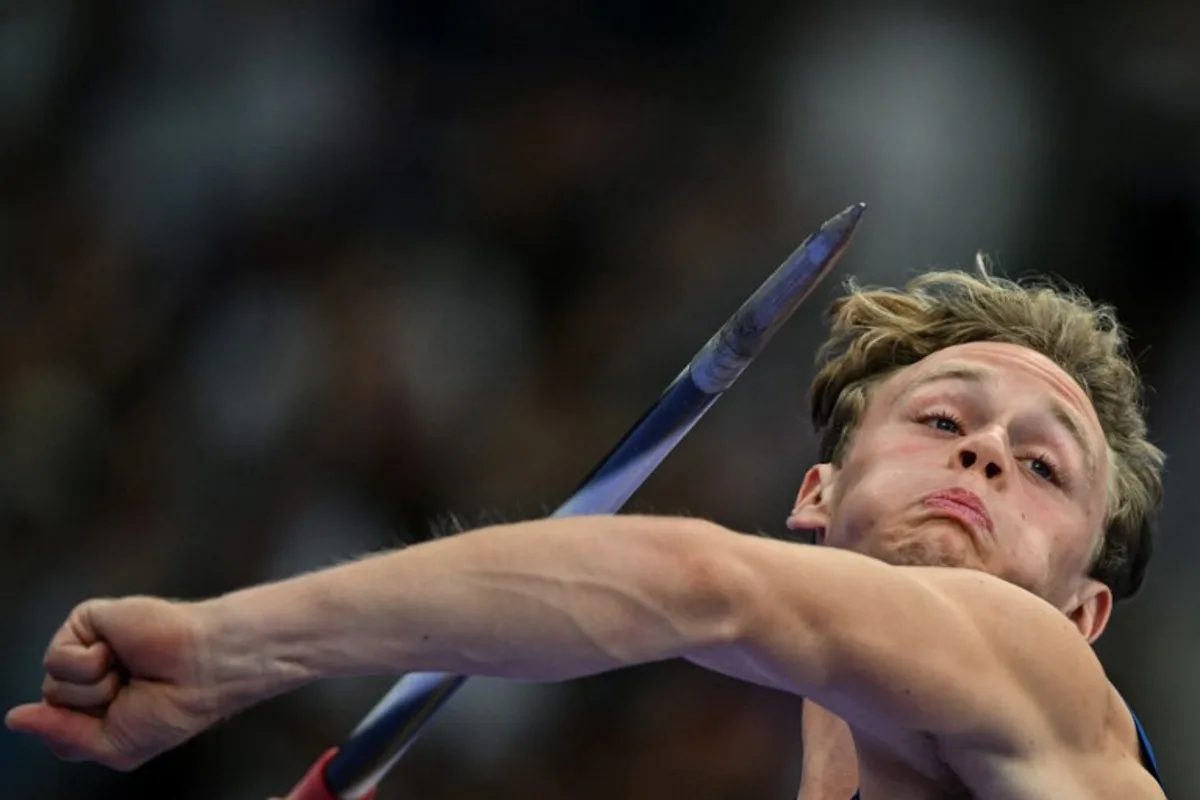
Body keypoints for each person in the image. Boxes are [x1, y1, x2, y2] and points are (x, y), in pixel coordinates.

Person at [5, 262, 1169, 799]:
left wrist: (232, 648)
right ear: (816, 497)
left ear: (1082, 613)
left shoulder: (1046, 684)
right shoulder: (843, 749)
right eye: (947, 417)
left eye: (1039, 465)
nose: (982, 456)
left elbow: (690, 581)